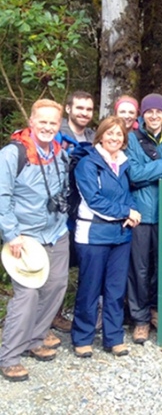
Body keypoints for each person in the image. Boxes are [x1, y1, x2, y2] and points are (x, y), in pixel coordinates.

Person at [0, 99, 70, 382]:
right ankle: (9, 356)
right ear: (31, 121)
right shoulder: (11, 154)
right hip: (24, 237)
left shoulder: (59, 153)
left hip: (56, 232)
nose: (47, 127)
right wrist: (11, 233)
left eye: (53, 123)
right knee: (27, 295)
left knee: (55, 286)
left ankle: (35, 339)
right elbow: (2, 196)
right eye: (42, 121)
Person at [71, 117, 141, 358]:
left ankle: (113, 337)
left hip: (120, 235)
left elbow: (127, 194)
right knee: (90, 289)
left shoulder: (123, 163)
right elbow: (94, 201)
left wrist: (133, 213)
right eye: (110, 133)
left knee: (115, 289)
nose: (114, 138)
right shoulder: (87, 164)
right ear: (100, 136)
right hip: (93, 235)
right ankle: (82, 337)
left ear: (124, 139)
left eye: (119, 134)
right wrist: (125, 212)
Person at [126, 93, 162, 344]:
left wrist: (152, 170)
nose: (153, 115)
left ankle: (158, 311)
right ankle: (139, 319)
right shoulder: (131, 137)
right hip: (140, 213)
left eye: (158, 112)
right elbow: (133, 175)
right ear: (143, 114)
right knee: (138, 268)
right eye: (149, 111)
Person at [51, 90, 96, 334]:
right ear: (68, 108)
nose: (84, 113)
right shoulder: (57, 134)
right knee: (57, 266)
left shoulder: (93, 135)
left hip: (86, 209)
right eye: (79, 108)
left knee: (84, 265)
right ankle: (50, 316)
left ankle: (80, 315)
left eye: (88, 109)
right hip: (60, 210)